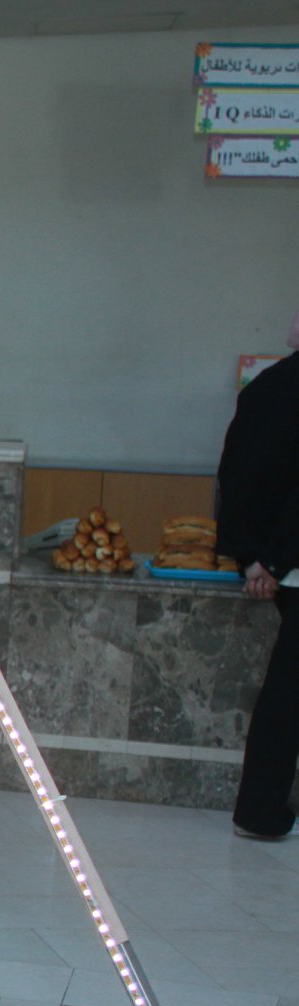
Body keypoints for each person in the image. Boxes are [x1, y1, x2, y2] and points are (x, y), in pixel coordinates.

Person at [215, 308, 299, 840]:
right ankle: (260, 809)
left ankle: (262, 807)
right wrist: (275, 558)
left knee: (287, 691)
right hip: (289, 562)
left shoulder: (267, 385)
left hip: (278, 565)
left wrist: (252, 557)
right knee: (288, 693)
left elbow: (238, 473)